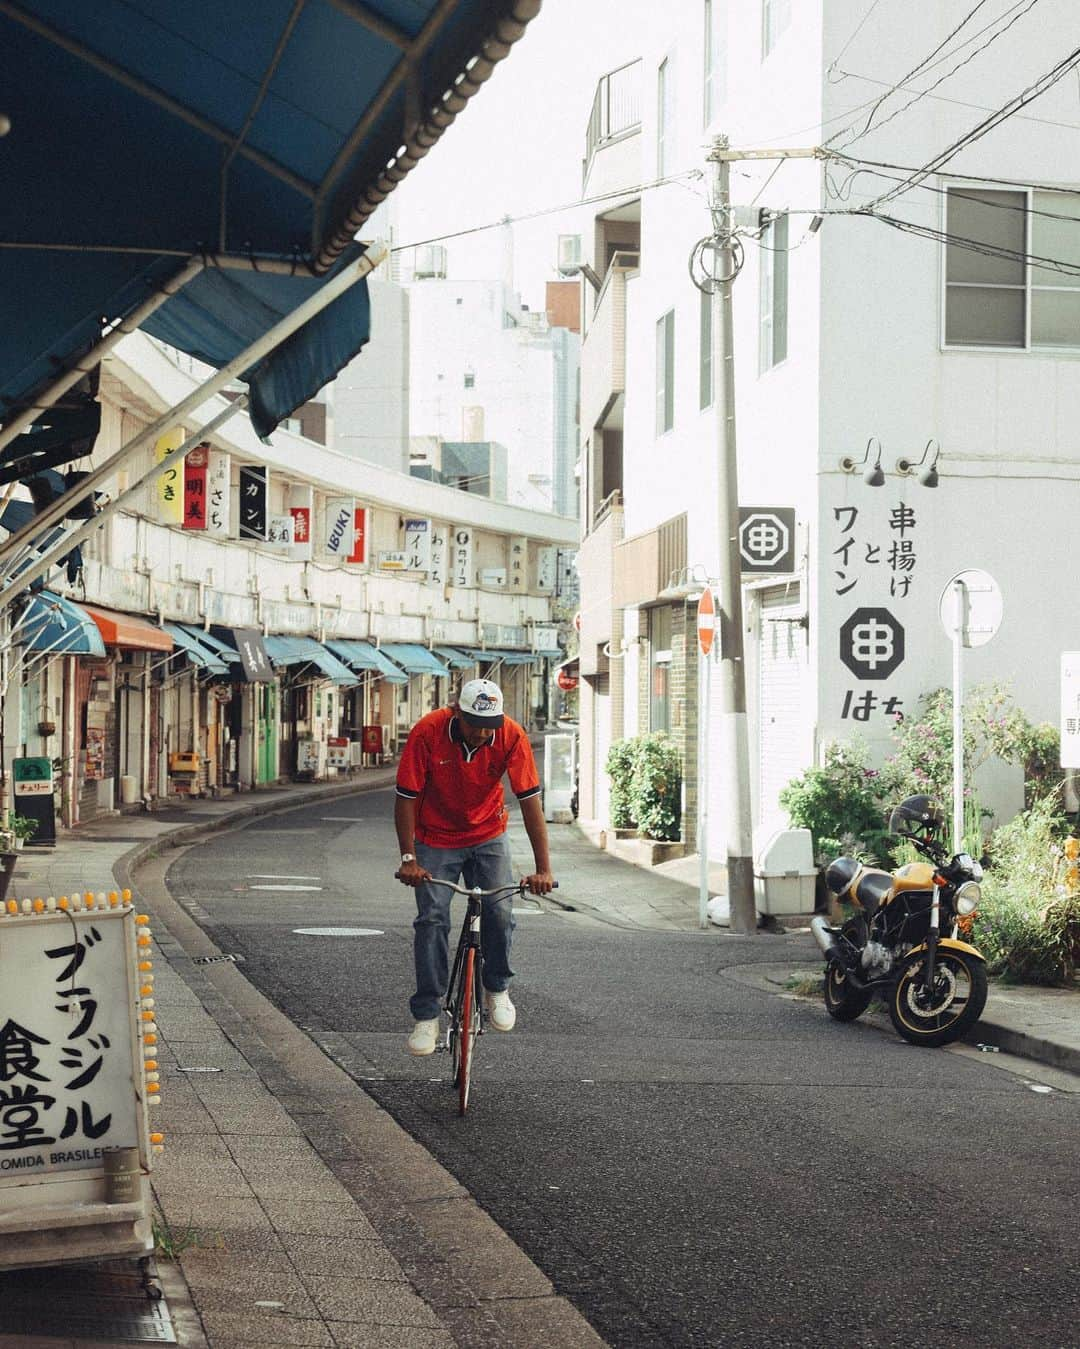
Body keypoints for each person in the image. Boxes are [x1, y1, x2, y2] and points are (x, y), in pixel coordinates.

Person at [394, 677, 555, 1056]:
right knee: (432, 917)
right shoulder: (428, 732)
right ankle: (428, 1015)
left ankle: (496, 986)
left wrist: (543, 869)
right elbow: (405, 798)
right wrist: (408, 859)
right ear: (457, 712)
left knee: (499, 909)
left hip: (488, 833)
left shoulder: (510, 735)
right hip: (434, 836)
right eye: (475, 724)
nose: (483, 733)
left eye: (491, 725)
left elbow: (531, 804)